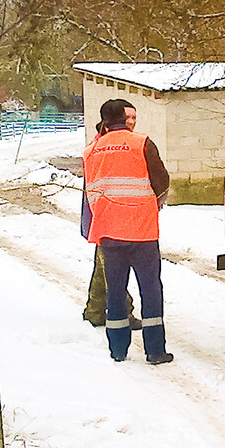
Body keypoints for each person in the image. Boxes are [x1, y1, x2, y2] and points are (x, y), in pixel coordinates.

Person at [82, 99, 173, 364]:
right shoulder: (141, 143)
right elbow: (162, 180)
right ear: (123, 117)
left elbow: (91, 192)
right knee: (151, 290)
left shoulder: (91, 150)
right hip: (142, 232)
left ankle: (118, 350)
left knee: (115, 292)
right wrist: (155, 201)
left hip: (109, 232)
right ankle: (155, 350)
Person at [82, 109, 139, 329]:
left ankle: (94, 311)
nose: (132, 122)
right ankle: (125, 311)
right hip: (107, 218)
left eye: (134, 118)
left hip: (106, 217)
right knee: (112, 267)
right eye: (127, 118)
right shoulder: (104, 146)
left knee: (102, 264)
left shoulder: (102, 142)